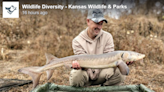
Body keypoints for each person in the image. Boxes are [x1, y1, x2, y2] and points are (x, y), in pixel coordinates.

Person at [69, 9, 132, 87]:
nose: (99, 27)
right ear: (88, 21)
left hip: (102, 73)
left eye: (101, 24)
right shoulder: (77, 41)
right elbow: (83, 63)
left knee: (119, 72)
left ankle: (105, 89)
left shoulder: (107, 37)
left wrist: (123, 63)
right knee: (76, 75)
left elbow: (109, 59)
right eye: (96, 23)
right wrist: (88, 72)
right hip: (85, 74)